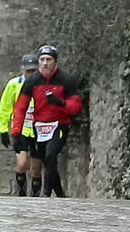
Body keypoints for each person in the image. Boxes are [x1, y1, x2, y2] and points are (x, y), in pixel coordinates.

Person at [11, 45, 82, 197]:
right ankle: (60, 194)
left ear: (55, 61)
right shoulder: (32, 81)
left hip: (60, 124)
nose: (45, 63)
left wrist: (61, 103)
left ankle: (46, 195)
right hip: (40, 126)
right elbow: (20, 108)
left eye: (48, 60)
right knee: (47, 161)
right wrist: (16, 133)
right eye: (42, 60)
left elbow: (76, 106)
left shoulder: (65, 79)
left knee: (51, 155)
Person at [0, 54, 43, 196]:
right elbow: (5, 108)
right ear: (22, 70)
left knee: (36, 168)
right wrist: (3, 130)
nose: (30, 74)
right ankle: (21, 192)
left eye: (33, 71)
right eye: (28, 71)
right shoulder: (13, 84)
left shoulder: (44, 85)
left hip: (38, 129)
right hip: (21, 129)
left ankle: (35, 196)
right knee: (22, 163)